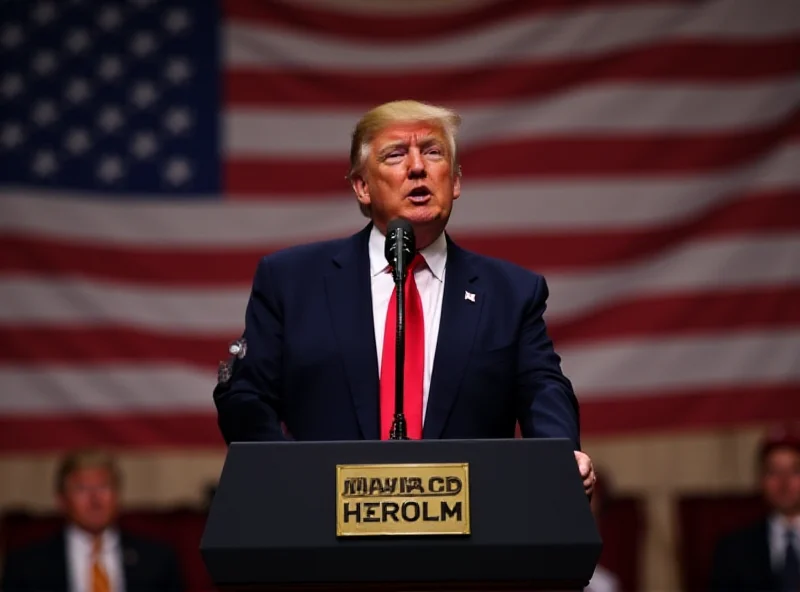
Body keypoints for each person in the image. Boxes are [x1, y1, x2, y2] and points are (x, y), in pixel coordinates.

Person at [213, 99, 595, 495]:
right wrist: (293, 480)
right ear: (362, 187)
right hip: (323, 527)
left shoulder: (511, 293)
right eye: (395, 154)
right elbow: (247, 397)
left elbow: (542, 390)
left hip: (471, 533)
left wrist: (560, 455)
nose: (417, 167)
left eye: (432, 152)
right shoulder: (292, 281)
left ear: (456, 181)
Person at [0, 450, 185, 592]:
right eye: (82, 489)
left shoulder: (157, 560)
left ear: (118, 495)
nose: (95, 500)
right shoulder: (26, 566)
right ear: (61, 500)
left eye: (103, 487)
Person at [709, 423, 800, 591]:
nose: (784, 482)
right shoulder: (733, 550)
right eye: (773, 471)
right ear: (760, 480)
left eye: (794, 471)